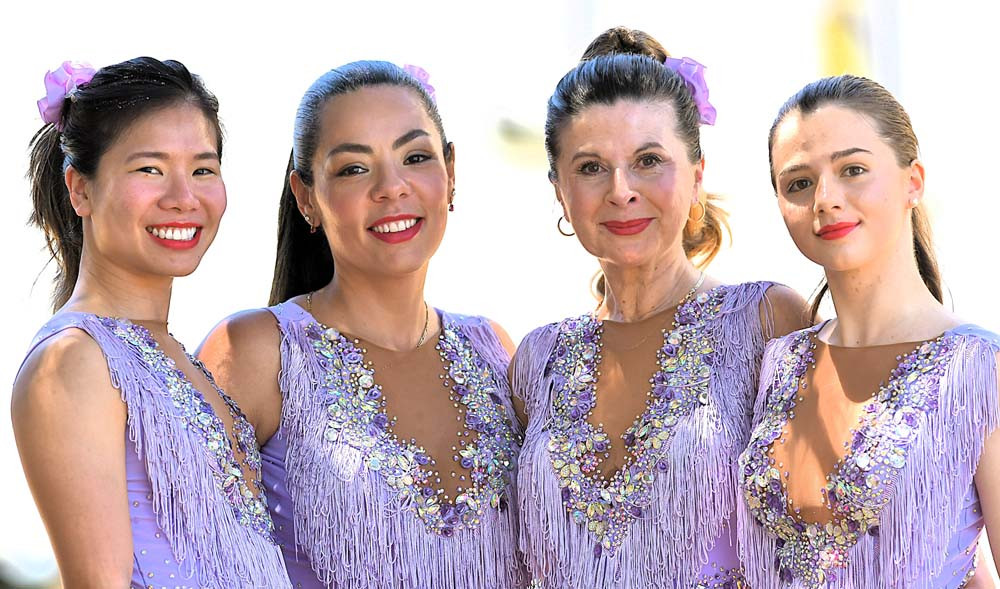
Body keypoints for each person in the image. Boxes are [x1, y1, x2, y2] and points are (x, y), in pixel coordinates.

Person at [197, 61, 526, 588]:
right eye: (354, 168)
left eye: (415, 157)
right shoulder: (257, 351)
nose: (392, 187)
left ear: (451, 173)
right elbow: (185, 556)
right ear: (307, 196)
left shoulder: (496, 352)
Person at [512, 27, 808, 588]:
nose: (620, 189)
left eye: (648, 160)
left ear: (697, 174)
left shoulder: (768, 320)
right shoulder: (536, 359)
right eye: (591, 167)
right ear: (558, 189)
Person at [12, 58, 290, 588]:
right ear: (81, 189)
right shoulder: (75, 358)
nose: (183, 198)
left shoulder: (179, 357)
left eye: (203, 169)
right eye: (150, 169)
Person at [737, 74, 1000, 588]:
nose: (825, 198)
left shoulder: (980, 367)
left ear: (913, 181)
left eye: (852, 169)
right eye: (799, 182)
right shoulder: (778, 361)